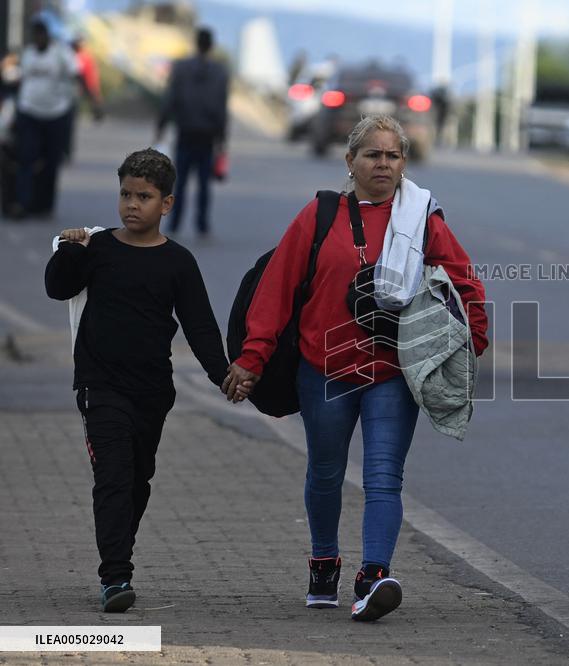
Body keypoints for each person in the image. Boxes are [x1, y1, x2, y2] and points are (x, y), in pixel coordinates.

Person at [224, 115, 488, 622]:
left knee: (385, 477)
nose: (382, 164)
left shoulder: (422, 217)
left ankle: (372, 578)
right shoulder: (319, 216)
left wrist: (471, 339)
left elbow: (464, 281)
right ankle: (324, 561)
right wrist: (253, 356)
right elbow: (276, 290)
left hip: (392, 371)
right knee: (325, 472)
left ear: (404, 163)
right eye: (372, 155)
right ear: (350, 162)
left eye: (392, 155)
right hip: (323, 369)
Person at [44, 148, 236, 612]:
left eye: (144, 197)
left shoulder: (178, 262)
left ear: (166, 204)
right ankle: (115, 576)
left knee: (136, 480)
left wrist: (224, 376)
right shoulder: (97, 248)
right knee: (111, 477)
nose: (132, 204)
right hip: (99, 385)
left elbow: (200, 325)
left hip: (152, 392)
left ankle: (117, 547)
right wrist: (70, 249)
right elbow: (57, 288)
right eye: (126, 194)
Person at [11, 19, 95, 219]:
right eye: (35, 35)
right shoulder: (28, 54)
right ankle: (23, 203)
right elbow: (19, 80)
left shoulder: (61, 54)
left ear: (47, 35)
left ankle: (44, 205)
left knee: (51, 162)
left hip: (55, 114)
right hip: (29, 111)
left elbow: (78, 76)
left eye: (42, 35)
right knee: (26, 158)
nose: (38, 39)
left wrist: (93, 101)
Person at [155, 26, 228, 238]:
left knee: (181, 180)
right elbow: (221, 108)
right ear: (211, 45)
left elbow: (170, 99)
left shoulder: (181, 68)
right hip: (208, 135)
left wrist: (161, 126)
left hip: (185, 131)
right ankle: (202, 224)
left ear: (195, 43)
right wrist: (222, 138)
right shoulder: (220, 73)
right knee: (204, 183)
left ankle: (175, 223)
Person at [65, 35, 105, 161]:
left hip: (73, 95)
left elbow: (90, 78)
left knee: (69, 124)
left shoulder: (85, 58)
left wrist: (95, 97)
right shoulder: (65, 56)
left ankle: (66, 150)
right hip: (60, 95)